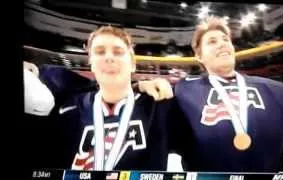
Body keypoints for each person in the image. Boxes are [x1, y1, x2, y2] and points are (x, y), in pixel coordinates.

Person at [166, 16, 283, 172]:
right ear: (199, 56)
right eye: (212, 41)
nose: (222, 44)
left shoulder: (278, 91)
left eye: (226, 40)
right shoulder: (183, 92)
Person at [24, 26, 174, 171]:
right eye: (100, 52)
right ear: (91, 64)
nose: (109, 57)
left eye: (118, 52)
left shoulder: (158, 105)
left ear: (133, 64)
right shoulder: (66, 106)